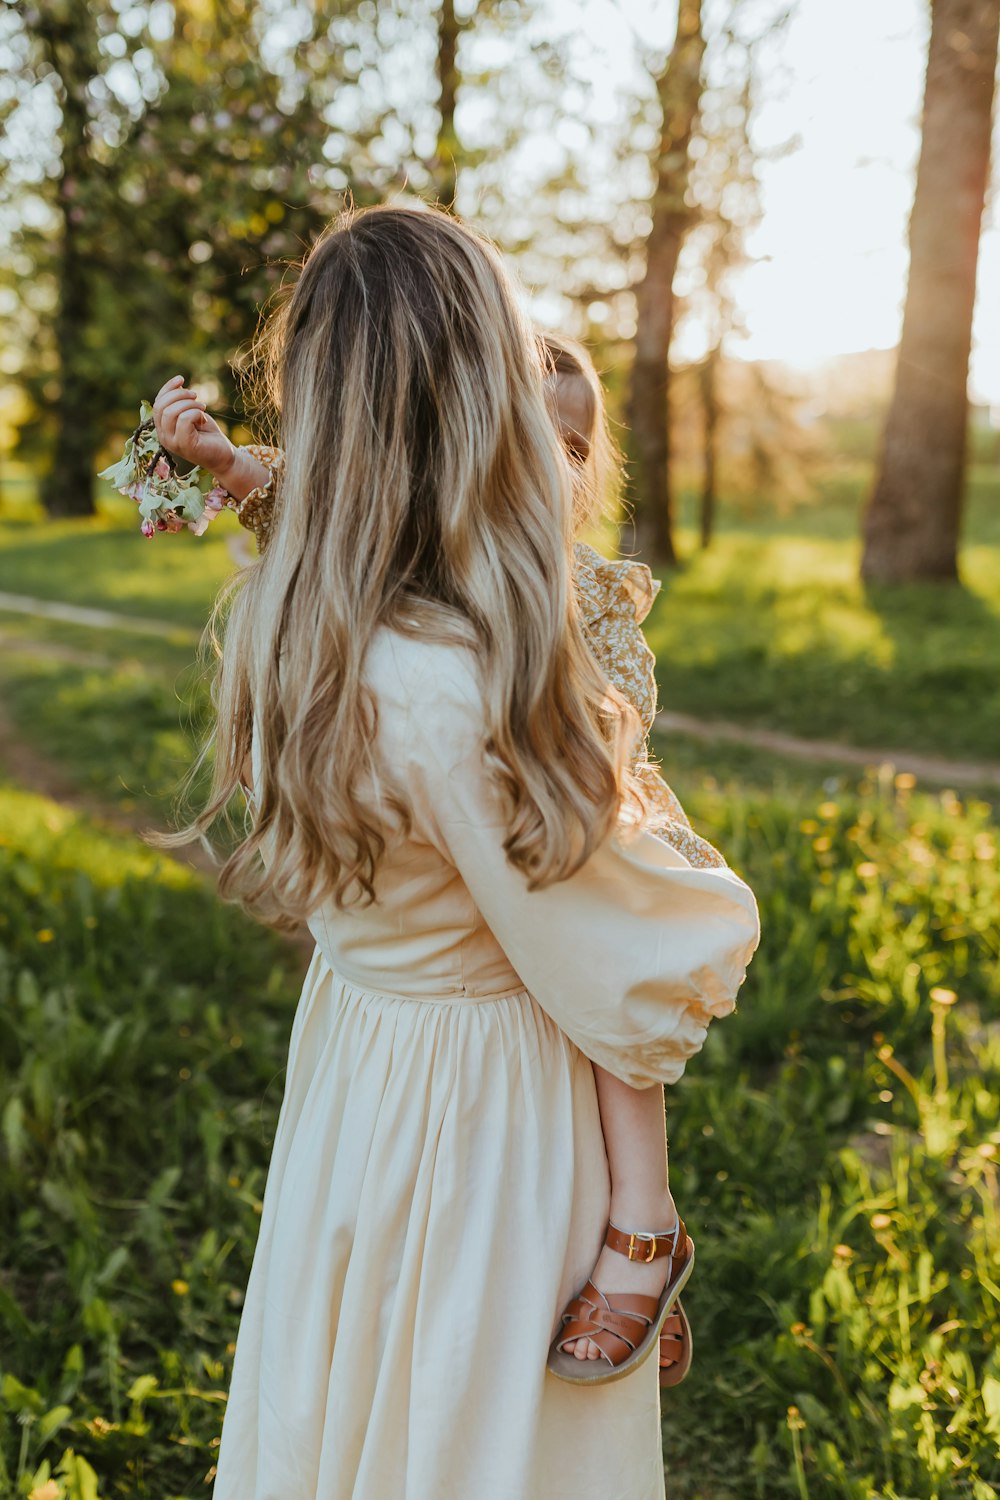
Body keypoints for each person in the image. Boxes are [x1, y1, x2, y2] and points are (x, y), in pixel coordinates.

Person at [151, 202, 760, 1499]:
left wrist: (225, 468)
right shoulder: (464, 679)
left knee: (362, 1387)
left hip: (365, 1073)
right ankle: (650, 1231)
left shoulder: (302, 615)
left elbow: (325, 502)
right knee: (474, 1425)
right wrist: (696, 905)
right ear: (481, 399)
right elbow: (613, 949)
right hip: (486, 1113)